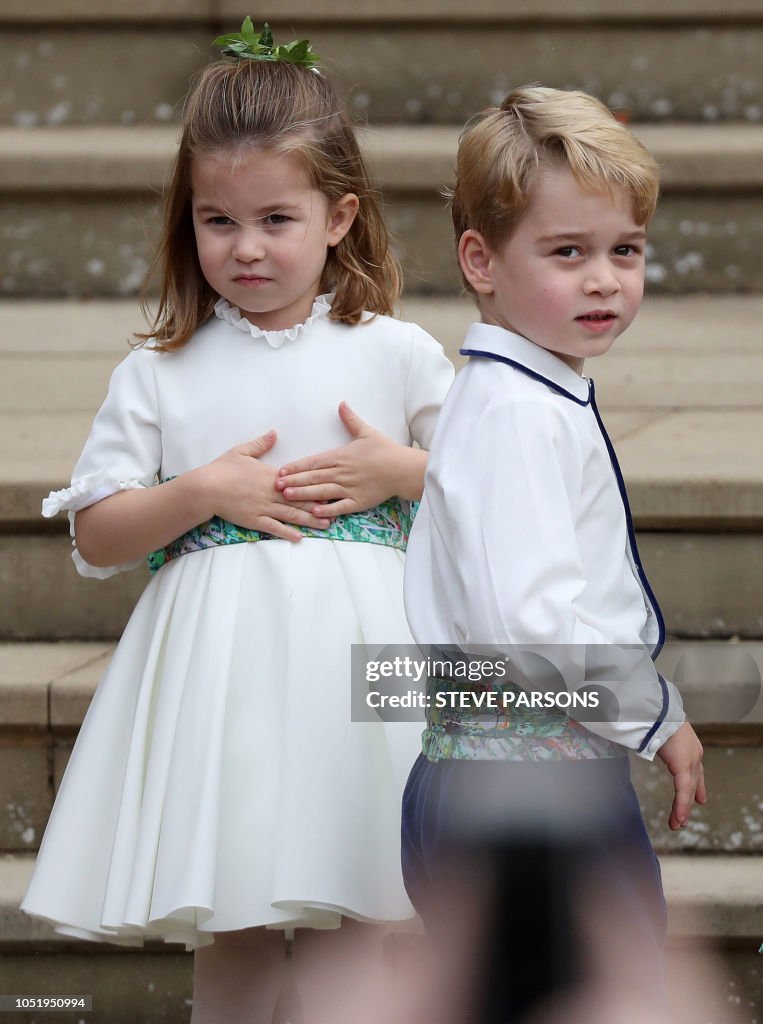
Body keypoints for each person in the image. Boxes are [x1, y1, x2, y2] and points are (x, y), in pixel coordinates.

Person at [21, 21, 454, 1023]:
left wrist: (398, 467)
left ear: (340, 215)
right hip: (227, 685)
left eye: (275, 219)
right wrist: (198, 495)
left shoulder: (394, 352)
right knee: (239, 913)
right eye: (219, 221)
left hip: (369, 664)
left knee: (374, 907)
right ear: (189, 219)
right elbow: (96, 531)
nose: (246, 247)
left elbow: (488, 483)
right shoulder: (161, 371)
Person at [401, 87, 707, 1020]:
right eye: (567, 253)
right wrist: (654, 716)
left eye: (625, 250)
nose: (605, 280)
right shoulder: (520, 415)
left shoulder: (516, 394)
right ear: (479, 260)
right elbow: (530, 625)